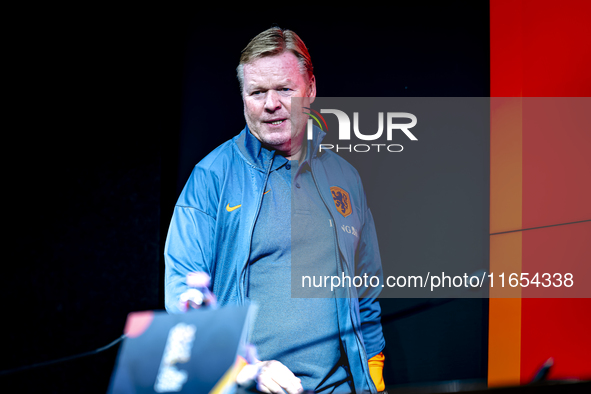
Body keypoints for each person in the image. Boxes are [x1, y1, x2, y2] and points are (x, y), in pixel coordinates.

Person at [164, 27, 385, 394]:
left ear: (310, 88)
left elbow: (367, 293)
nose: (271, 104)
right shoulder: (210, 178)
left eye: (284, 89)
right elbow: (183, 295)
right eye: (257, 92)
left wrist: (373, 382)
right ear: (243, 98)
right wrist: (247, 369)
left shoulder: (345, 178)